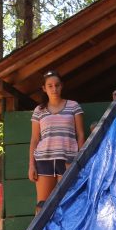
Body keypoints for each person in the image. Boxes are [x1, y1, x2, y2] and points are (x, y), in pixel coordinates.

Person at [28, 70, 85, 213]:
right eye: (50, 86)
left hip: (67, 160)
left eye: (57, 85)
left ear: (62, 86)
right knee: (42, 206)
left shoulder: (73, 106)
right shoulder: (39, 110)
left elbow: (81, 134)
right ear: (44, 88)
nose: (54, 89)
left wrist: (81, 160)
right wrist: (31, 165)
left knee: (66, 205)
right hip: (43, 161)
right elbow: (34, 139)